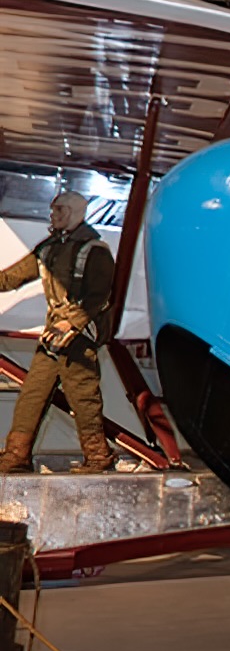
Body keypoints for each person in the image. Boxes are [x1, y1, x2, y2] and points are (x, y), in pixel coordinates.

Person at [0, 190, 117, 474]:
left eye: (59, 210)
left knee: (83, 397)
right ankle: (16, 457)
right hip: (54, 336)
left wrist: (72, 323)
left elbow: (100, 295)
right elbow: (12, 277)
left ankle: (99, 457)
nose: (53, 215)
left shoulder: (95, 250)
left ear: (77, 213)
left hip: (78, 336)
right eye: (53, 210)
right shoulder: (49, 248)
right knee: (32, 395)